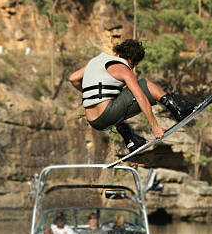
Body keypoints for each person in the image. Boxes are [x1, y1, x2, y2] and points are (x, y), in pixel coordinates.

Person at [69, 39, 197, 152]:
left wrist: (91, 96)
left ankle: (130, 140)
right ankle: (178, 109)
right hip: (107, 115)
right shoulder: (124, 69)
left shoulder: (96, 61)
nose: (133, 68)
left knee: (115, 100)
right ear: (131, 60)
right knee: (145, 84)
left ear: (118, 54)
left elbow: (73, 78)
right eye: (134, 65)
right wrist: (155, 126)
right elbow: (141, 98)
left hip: (93, 121)